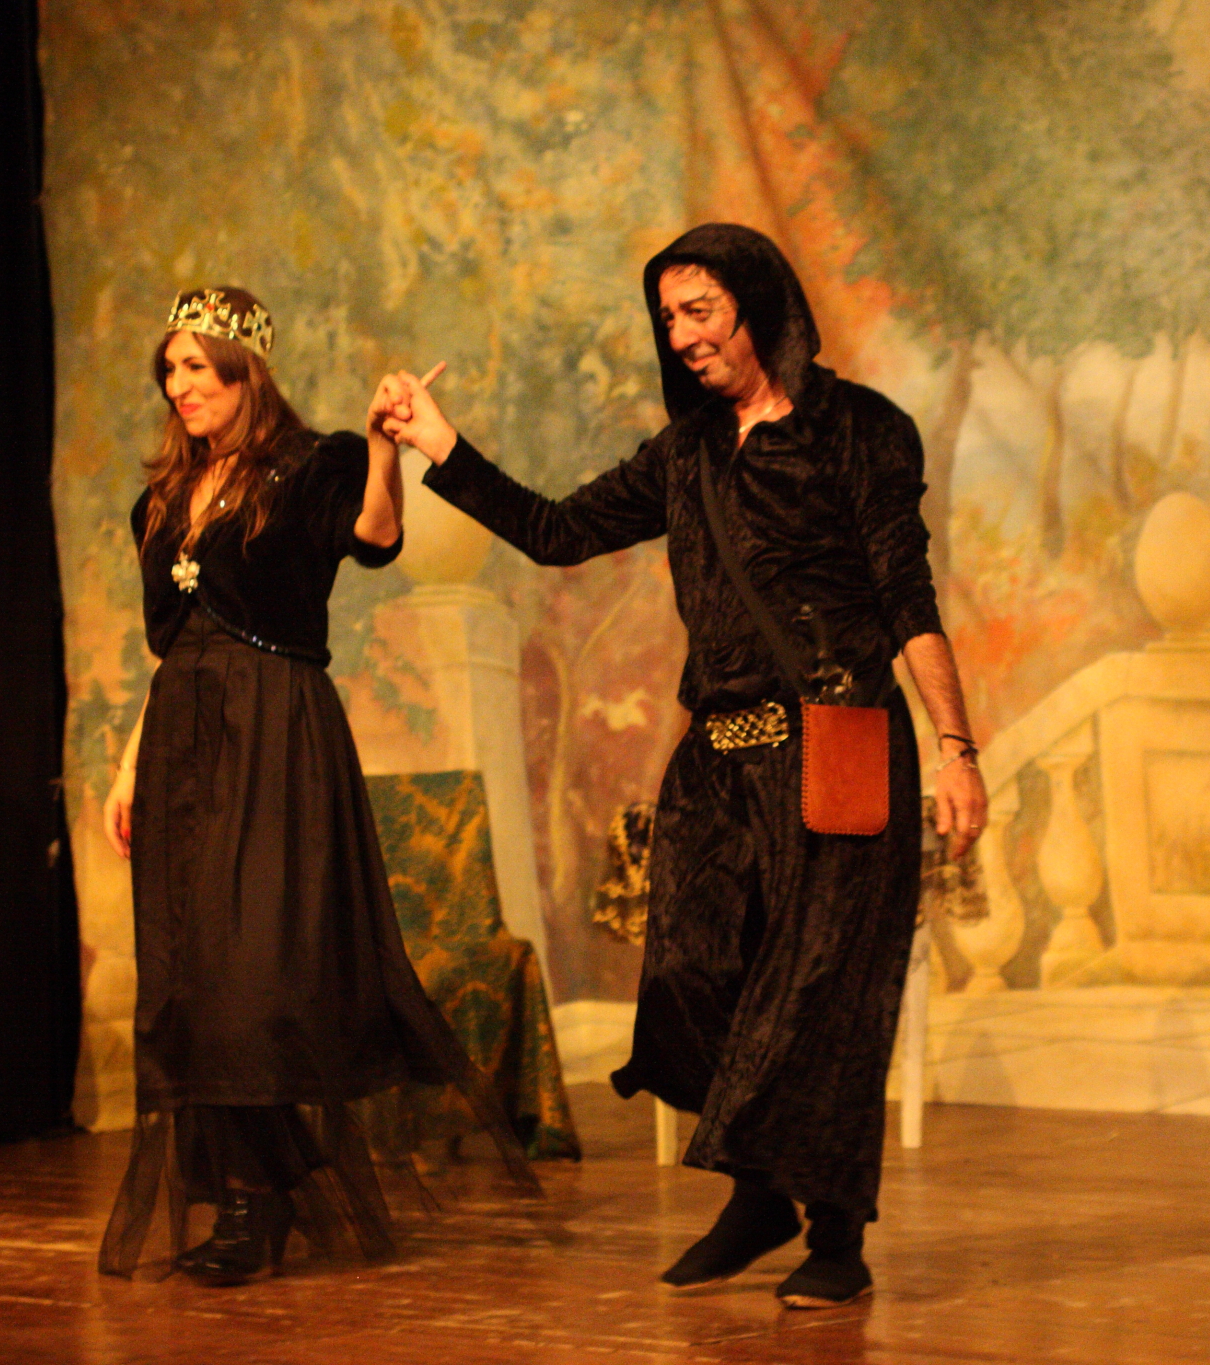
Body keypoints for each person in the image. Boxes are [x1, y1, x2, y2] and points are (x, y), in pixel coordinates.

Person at [381, 224, 988, 1308]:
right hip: (716, 758)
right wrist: (440, 444)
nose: (681, 335)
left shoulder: (858, 431)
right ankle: (760, 1191)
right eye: (668, 318)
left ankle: (832, 1238)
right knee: (688, 978)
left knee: (820, 998)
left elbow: (907, 596)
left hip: (838, 746)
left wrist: (954, 747)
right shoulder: (685, 454)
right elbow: (556, 531)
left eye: (698, 310)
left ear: (758, 303)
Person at [98, 286, 536, 1284]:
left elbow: (375, 538)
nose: (179, 387)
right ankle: (254, 1197)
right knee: (189, 983)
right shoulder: (159, 500)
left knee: (251, 978)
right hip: (181, 745)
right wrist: (128, 765)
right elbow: (170, 647)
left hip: (274, 732)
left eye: (197, 368)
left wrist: (381, 446)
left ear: (244, 373)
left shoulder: (308, 465)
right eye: (169, 371)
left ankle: (265, 1194)